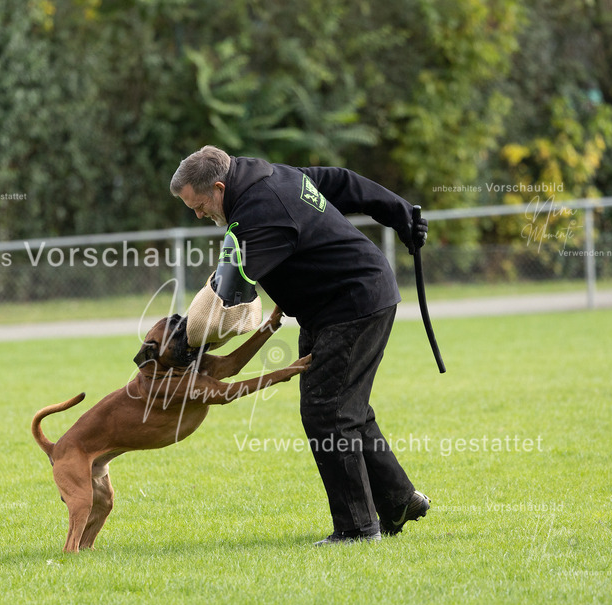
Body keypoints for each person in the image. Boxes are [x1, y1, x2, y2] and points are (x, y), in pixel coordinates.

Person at [170, 145, 431, 545]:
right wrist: (400, 213)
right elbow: (345, 182)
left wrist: (181, 344)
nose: (199, 214)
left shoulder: (258, 211)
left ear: (219, 187)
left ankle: (357, 529)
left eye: (199, 204)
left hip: (353, 302)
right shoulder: (278, 175)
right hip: (331, 307)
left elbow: (227, 294)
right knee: (345, 407)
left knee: (327, 411)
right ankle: (398, 500)